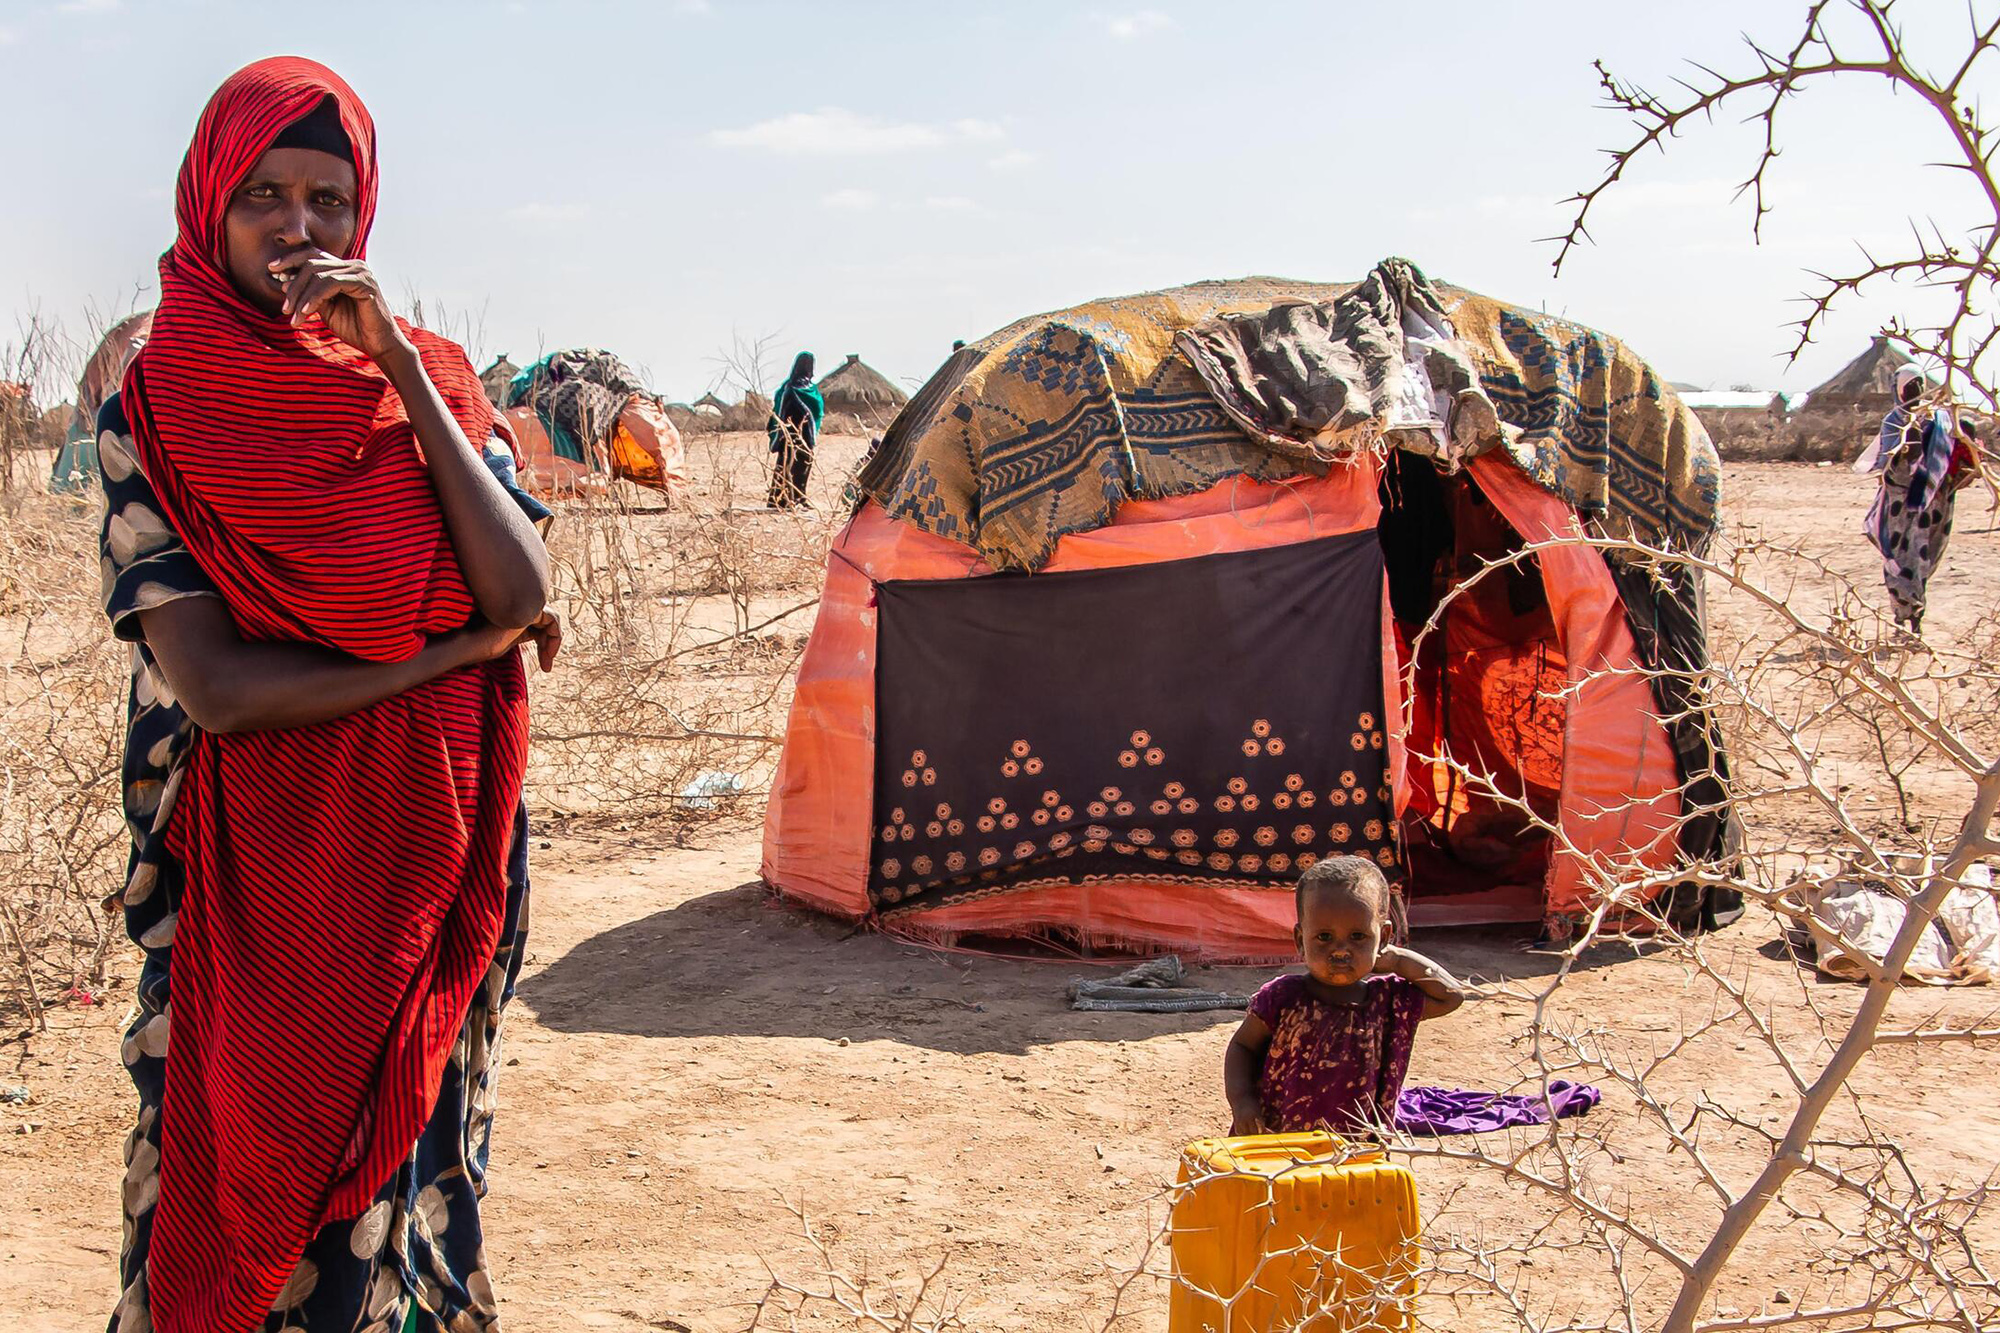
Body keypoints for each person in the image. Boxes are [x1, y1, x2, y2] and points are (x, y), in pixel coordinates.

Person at [100, 58, 559, 1333]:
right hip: (250, 881)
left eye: (327, 198)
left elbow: (515, 587)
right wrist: (443, 656)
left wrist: (402, 368)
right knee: (232, 1175)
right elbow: (223, 689)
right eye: (263, 196)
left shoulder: (441, 386)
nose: (299, 228)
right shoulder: (158, 407)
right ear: (207, 205)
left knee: (407, 1174)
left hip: (431, 850)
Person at [1224, 857, 1466, 1138]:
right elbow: (1243, 1046)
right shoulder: (1283, 997)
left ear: (1384, 936)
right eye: (1324, 937)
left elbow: (1451, 995)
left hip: (1356, 1150)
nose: (1341, 950)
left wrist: (1396, 959)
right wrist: (1242, 1101)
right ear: (1301, 940)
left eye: (1358, 936)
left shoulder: (1388, 1002)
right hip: (1276, 1141)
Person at [1863, 366, 1983, 638]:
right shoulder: (1896, 421)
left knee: (1918, 562)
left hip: (1929, 505)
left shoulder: (1941, 420)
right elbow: (1889, 464)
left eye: (1919, 386)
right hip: (1903, 506)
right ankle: (1907, 621)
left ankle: (1911, 623)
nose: (1916, 392)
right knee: (1904, 562)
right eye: (1911, 387)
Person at [767, 350, 823, 508]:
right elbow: (781, 410)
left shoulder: (812, 388)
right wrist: (782, 431)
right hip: (790, 434)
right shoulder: (790, 387)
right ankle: (781, 500)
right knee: (787, 465)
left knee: (804, 465)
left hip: (806, 435)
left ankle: (799, 498)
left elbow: (817, 411)